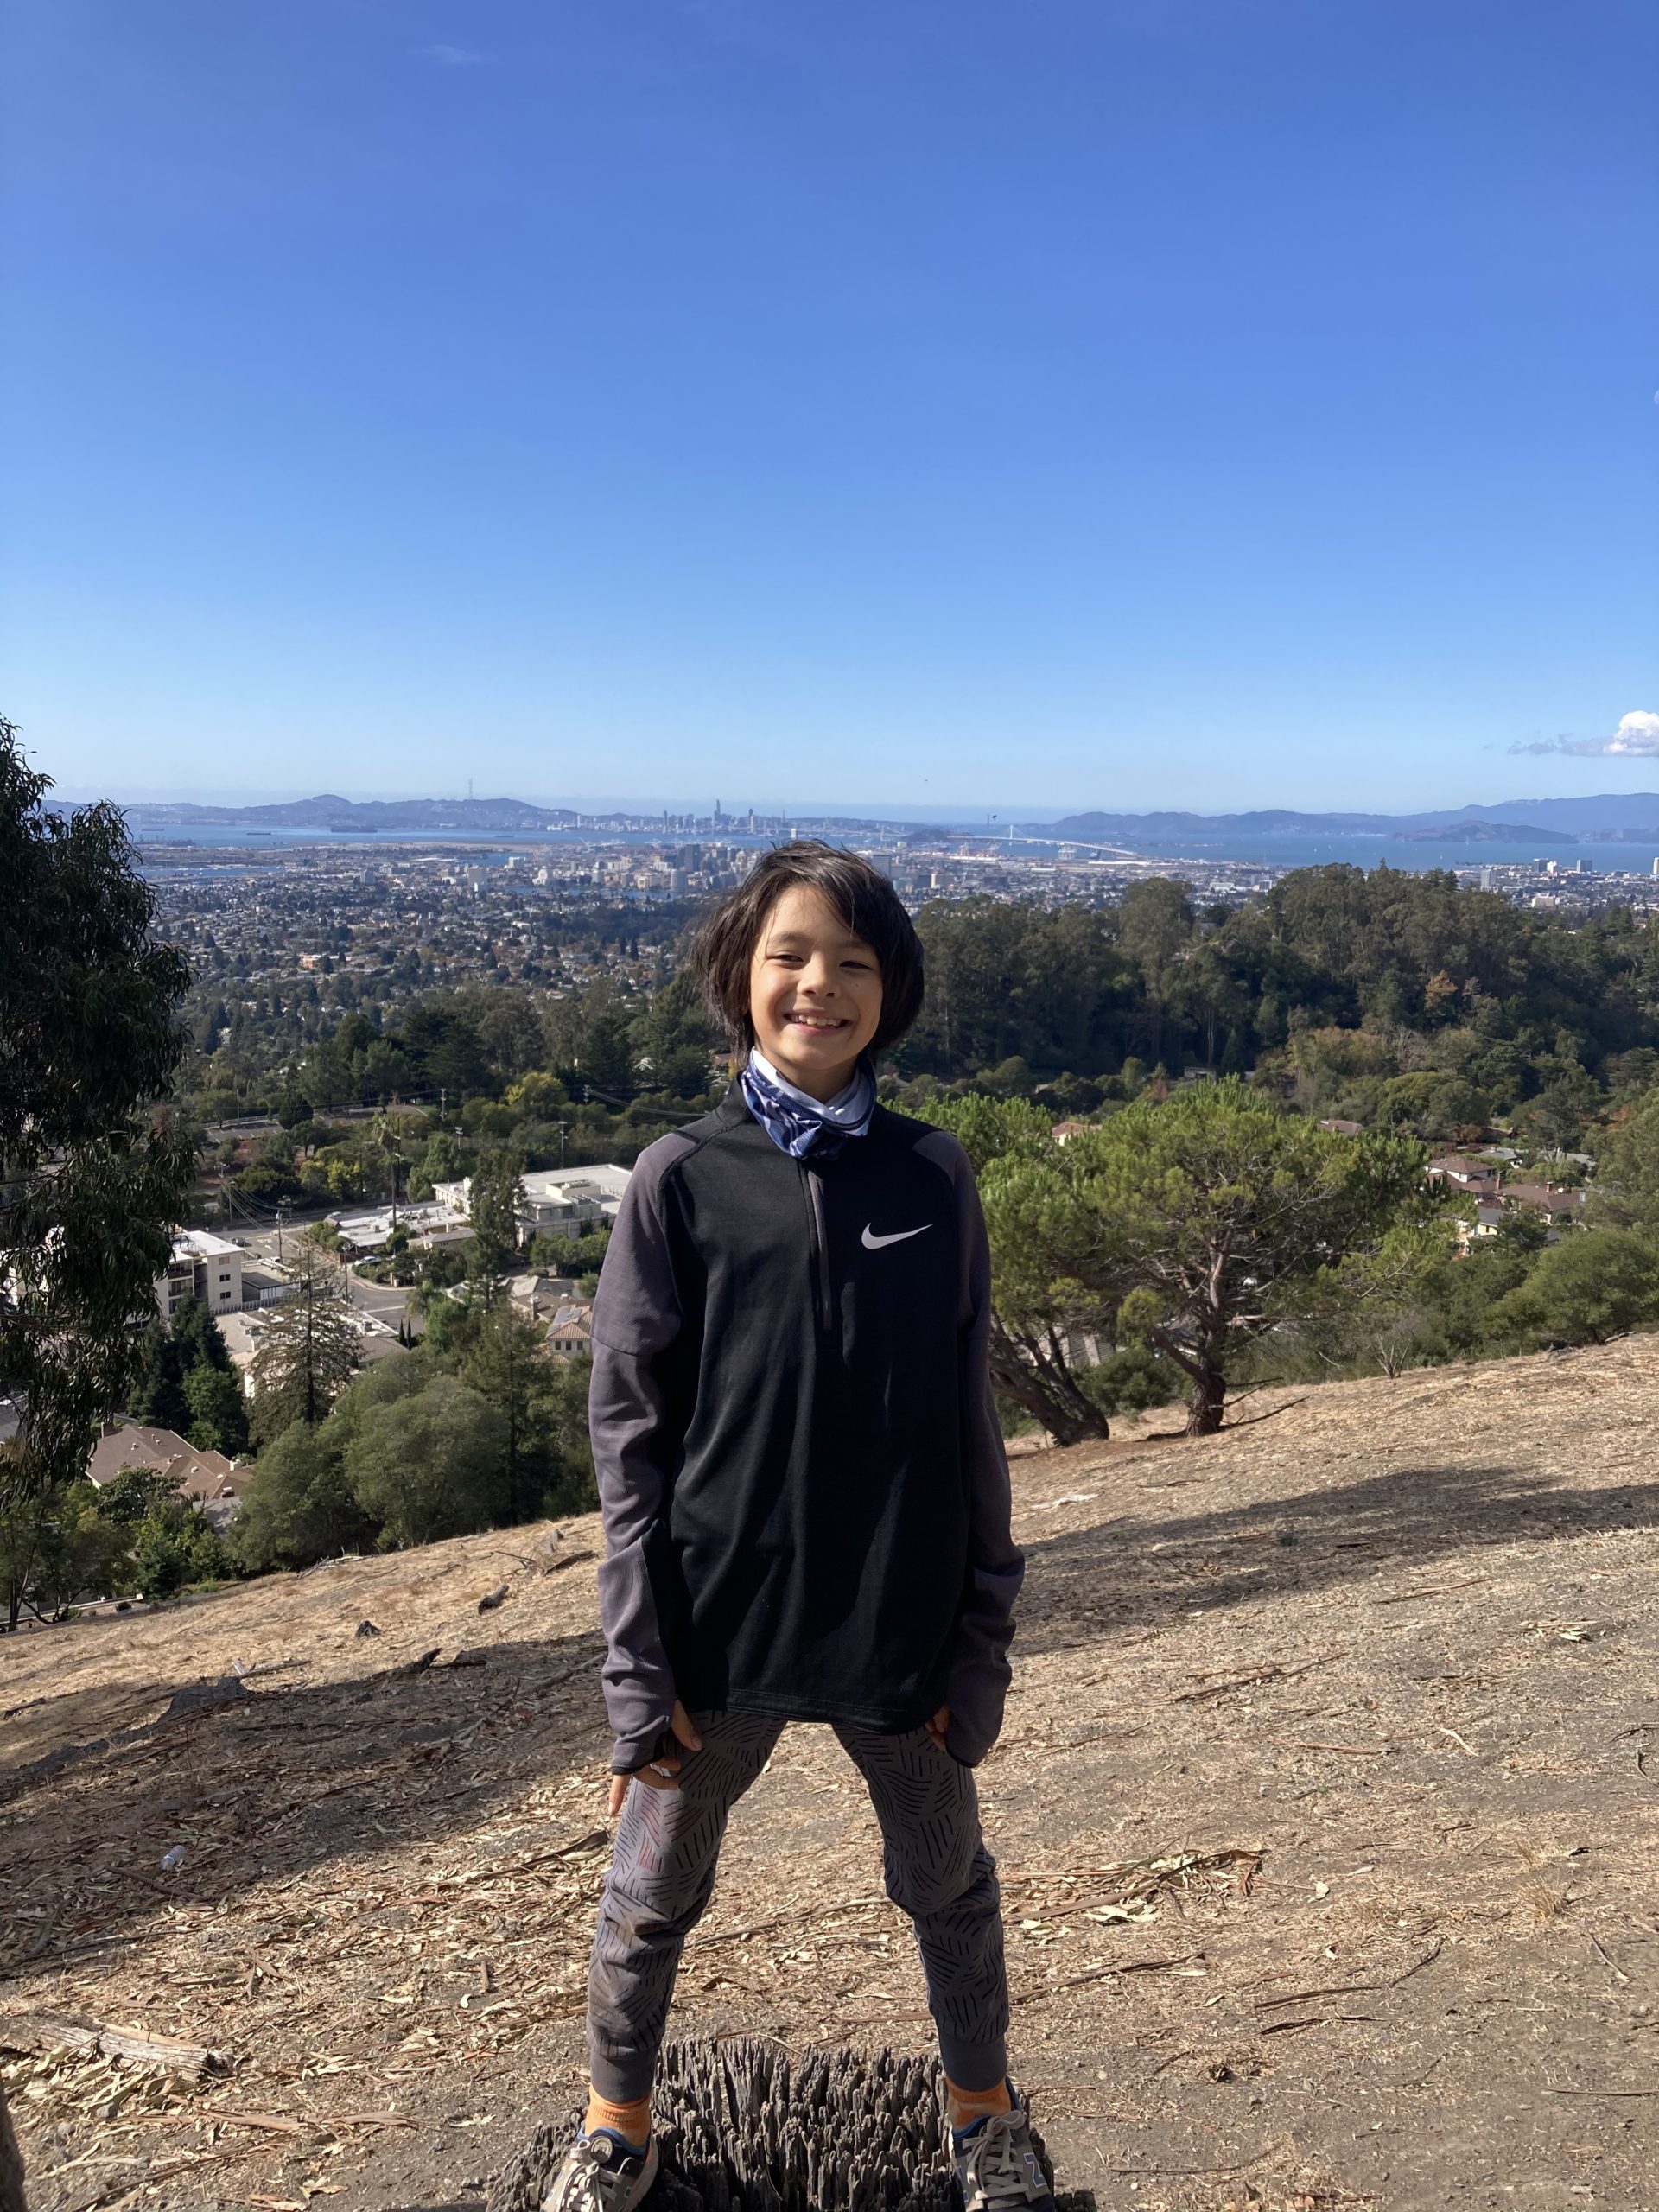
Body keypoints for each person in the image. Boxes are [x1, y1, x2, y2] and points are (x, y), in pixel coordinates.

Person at [545, 842, 1047, 2212]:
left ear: (893, 990)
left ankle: (983, 2116)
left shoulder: (932, 1177)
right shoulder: (679, 1179)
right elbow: (630, 1442)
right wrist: (638, 1673)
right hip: (718, 1633)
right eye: (790, 956)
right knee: (647, 1895)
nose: (819, 983)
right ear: (739, 977)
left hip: (901, 1625)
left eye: (854, 961)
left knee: (947, 1887)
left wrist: (980, 1645)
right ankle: (615, 2128)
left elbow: (968, 1421)